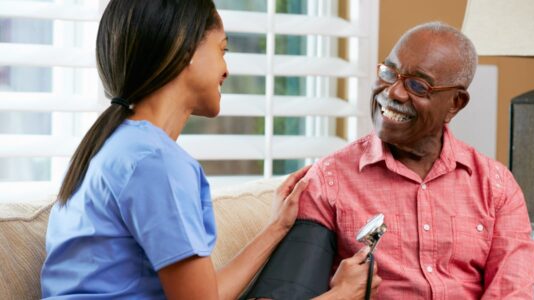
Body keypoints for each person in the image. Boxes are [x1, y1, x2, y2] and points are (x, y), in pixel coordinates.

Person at [40, 1, 380, 299]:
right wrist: (342, 295)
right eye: (222, 49)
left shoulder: (114, 147)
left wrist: (276, 227)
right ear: (184, 48)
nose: (226, 70)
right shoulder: (156, 164)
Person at [297, 22, 534, 299]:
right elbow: (295, 288)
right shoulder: (329, 180)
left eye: (417, 85)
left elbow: (513, 291)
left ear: (455, 103)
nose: (393, 93)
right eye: (389, 73)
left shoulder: (496, 187)